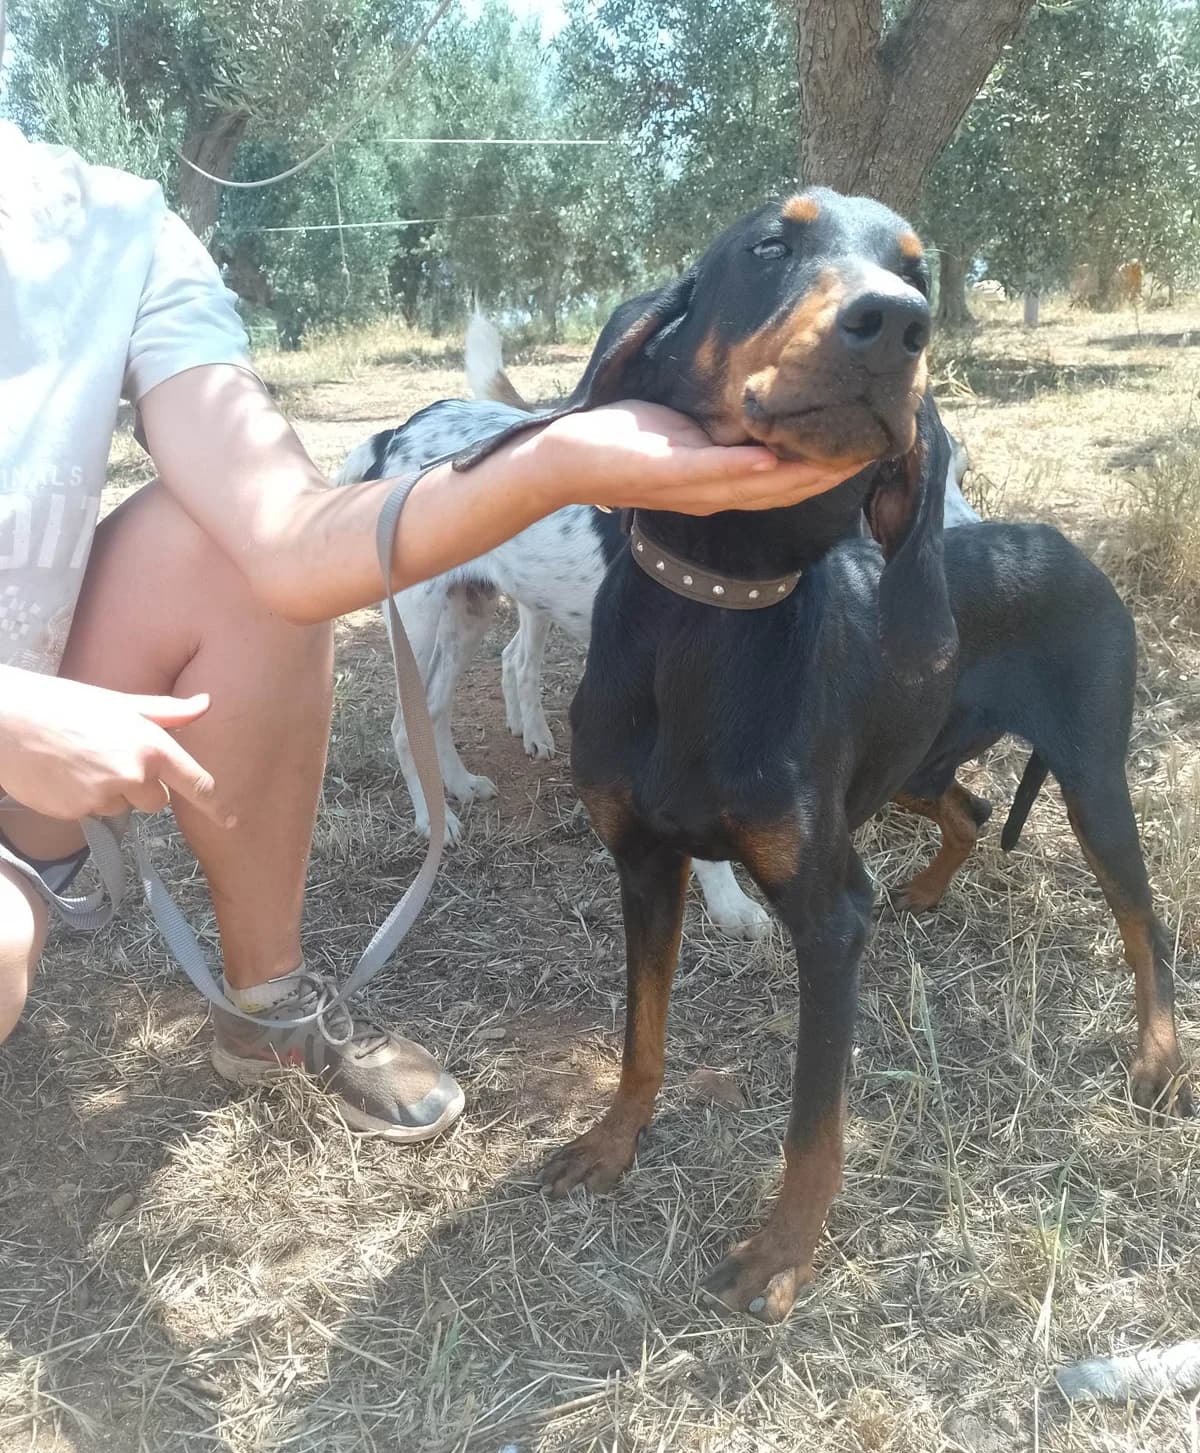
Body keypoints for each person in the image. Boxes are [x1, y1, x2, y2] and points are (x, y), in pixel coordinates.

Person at [0, 106, 856, 1143]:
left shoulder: (122, 230)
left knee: (223, 542)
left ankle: (266, 1005)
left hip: (36, 761)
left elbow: (283, 534)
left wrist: (552, 458)